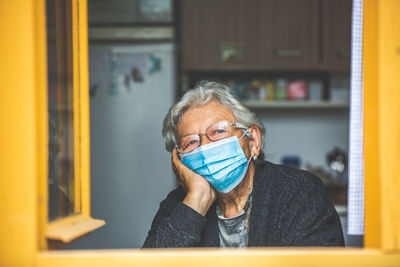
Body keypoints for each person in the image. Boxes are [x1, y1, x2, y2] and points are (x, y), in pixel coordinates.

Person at [142, 81, 344, 248]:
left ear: (253, 141)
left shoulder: (299, 192)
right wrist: (196, 201)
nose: (205, 148)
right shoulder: (179, 204)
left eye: (218, 131)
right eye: (191, 142)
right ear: (179, 159)